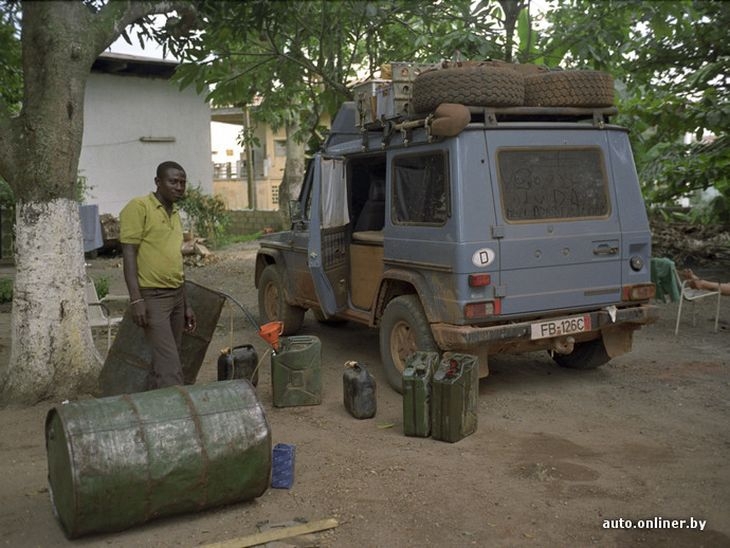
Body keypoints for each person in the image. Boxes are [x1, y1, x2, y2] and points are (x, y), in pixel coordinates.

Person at [119, 161, 197, 389]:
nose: (179, 187)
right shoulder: (139, 207)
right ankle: (178, 415)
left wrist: (186, 304)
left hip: (176, 297)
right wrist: (136, 299)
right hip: (152, 298)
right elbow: (129, 254)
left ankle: (149, 410)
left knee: (162, 365)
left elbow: (175, 262)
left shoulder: (175, 214)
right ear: (157, 182)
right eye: (173, 181)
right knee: (170, 366)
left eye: (182, 182)